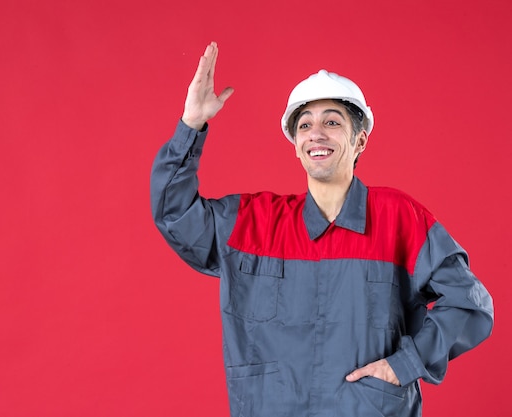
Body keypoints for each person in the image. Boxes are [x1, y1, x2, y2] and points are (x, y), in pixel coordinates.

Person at [150, 42, 494, 417]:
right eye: (305, 125)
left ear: (359, 139)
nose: (316, 133)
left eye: (332, 122)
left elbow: (470, 302)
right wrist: (191, 125)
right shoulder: (252, 222)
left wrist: (406, 364)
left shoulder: (400, 218)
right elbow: (173, 212)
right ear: (296, 145)